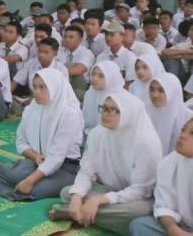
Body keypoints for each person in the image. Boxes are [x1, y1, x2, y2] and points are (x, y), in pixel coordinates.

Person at [49, 91, 163, 235]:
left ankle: (69, 213)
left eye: (114, 110)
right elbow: (86, 171)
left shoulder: (146, 142)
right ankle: (89, 212)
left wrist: (99, 200)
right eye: (104, 108)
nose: (105, 114)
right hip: (112, 191)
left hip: (140, 199)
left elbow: (142, 190)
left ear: (129, 113)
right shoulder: (97, 133)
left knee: (140, 213)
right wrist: (77, 197)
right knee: (67, 193)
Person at [0, 68, 83, 201]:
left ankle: (20, 186)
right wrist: (34, 156)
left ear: (55, 87)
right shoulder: (33, 108)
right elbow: (21, 141)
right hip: (38, 161)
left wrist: (29, 181)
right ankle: (19, 183)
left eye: (43, 87)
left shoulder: (69, 114)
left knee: (34, 189)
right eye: (35, 87)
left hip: (66, 168)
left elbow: (56, 158)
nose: (37, 92)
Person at [129, 117, 193, 236]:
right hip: (180, 227)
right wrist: (173, 228)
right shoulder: (168, 162)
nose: (183, 135)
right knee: (140, 226)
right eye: (183, 130)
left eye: (192, 133)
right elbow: (163, 204)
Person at [146, 73, 193, 156]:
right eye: (151, 89)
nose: (155, 95)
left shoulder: (189, 118)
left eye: (161, 91)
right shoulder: (145, 112)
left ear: (172, 92)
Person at [81, 61, 126, 137]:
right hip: (89, 135)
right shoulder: (90, 93)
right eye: (93, 74)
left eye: (101, 76)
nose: (95, 78)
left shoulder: (120, 98)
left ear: (111, 77)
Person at [59, 25, 96, 101]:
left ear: (80, 39)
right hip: (62, 83)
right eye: (65, 37)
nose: (67, 39)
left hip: (81, 86)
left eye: (71, 37)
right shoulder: (59, 51)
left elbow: (78, 70)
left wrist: (55, 72)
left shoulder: (86, 53)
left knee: (69, 65)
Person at [96, 21, 137, 87]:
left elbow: (129, 83)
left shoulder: (130, 57)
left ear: (122, 36)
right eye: (106, 34)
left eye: (112, 34)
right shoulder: (101, 57)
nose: (108, 38)